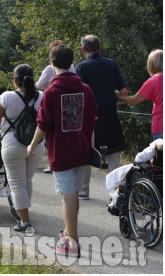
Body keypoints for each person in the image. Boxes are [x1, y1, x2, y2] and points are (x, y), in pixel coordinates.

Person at [27, 44, 98, 258]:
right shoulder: (85, 89)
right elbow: (92, 118)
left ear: (52, 63)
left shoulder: (51, 92)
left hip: (62, 151)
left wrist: (32, 145)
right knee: (73, 193)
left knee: (67, 196)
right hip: (81, 148)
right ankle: (68, 232)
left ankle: (72, 243)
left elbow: (43, 123)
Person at [0, 65, 44, 232]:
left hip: (12, 145)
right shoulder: (42, 97)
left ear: (15, 80)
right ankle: (23, 213)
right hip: (36, 145)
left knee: (17, 184)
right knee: (27, 181)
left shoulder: (7, 97)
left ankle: (25, 221)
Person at [76, 34, 127, 200]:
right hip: (110, 112)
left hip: (91, 114)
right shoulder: (111, 64)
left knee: (87, 151)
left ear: (83, 50)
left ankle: (84, 191)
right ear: (100, 48)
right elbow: (124, 90)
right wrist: (116, 98)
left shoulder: (82, 67)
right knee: (113, 152)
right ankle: (113, 192)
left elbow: (80, 93)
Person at [36, 40, 76, 173]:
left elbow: (39, 85)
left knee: (51, 135)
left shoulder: (49, 68)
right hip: (70, 103)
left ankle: (53, 161)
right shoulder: (72, 66)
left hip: (53, 101)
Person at [117, 49, 163, 141]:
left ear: (151, 64)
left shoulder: (153, 81)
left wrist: (118, 97)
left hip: (161, 126)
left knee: (161, 155)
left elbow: (133, 100)